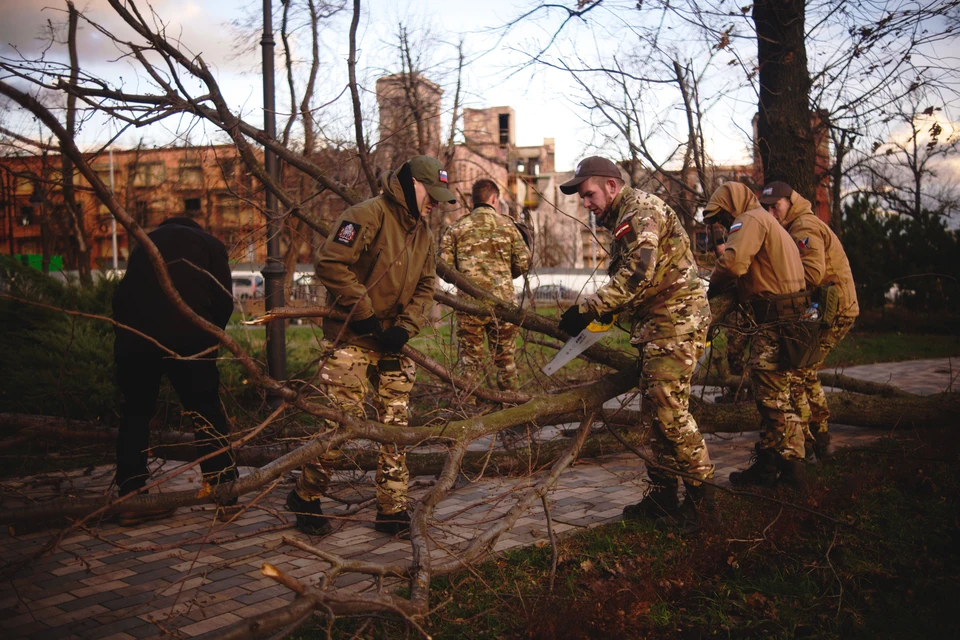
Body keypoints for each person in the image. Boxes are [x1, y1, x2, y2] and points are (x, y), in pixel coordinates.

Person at [286, 155, 454, 537]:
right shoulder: (367, 214)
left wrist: (406, 328)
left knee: (395, 427)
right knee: (341, 424)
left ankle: (391, 511)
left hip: (393, 344)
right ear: (413, 185)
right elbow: (330, 263)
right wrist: (363, 314)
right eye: (433, 194)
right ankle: (306, 495)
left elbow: (426, 286)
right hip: (351, 338)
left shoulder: (423, 233)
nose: (435, 204)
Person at [557, 156, 715, 532]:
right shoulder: (627, 217)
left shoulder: (639, 211)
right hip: (659, 325)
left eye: (589, 194)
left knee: (671, 413)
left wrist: (588, 309)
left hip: (675, 324)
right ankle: (662, 495)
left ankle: (703, 504)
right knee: (656, 415)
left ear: (611, 185)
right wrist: (609, 313)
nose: (586, 203)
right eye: (582, 197)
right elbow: (637, 277)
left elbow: (639, 273)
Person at [112, 217, 238, 526]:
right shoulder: (210, 244)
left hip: (134, 337)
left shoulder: (144, 243)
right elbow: (223, 299)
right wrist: (212, 337)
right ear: (196, 229)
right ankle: (223, 489)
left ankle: (131, 493)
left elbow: (122, 296)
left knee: (136, 412)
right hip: (189, 334)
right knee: (205, 409)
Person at [704, 182, 810, 491]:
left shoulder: (749, 218)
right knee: (775, 395)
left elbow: (734, 263)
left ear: (731, 206)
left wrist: (713, 285)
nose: (724, 224)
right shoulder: (768, 221)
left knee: (773, 400)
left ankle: (792, 474)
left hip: (776, 323)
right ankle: (767, 466)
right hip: (789, 320)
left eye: (723, 217)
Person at [759, 181, 860, 460]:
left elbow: (811, 275)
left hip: (833, 312)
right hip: (825, 309)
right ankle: (821, 438)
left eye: (775, 206)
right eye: (766, 208)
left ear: (789, 202)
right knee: (806, 372)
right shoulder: (796, 224)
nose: (770, 212)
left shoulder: (803, 227)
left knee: (794, 375)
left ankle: (805, 444)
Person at [438, 178, 531, 396]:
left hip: (469, 306)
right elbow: (525, 262)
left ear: (474, 200)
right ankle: (512, 410)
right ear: (494, 199)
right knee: (506, 361)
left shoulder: (457, 227)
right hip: (504, 304)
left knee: (469, 362)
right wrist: (507, 274)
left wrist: (464, 279)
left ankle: (467, 414)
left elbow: (443, 267)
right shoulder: (508, 226)